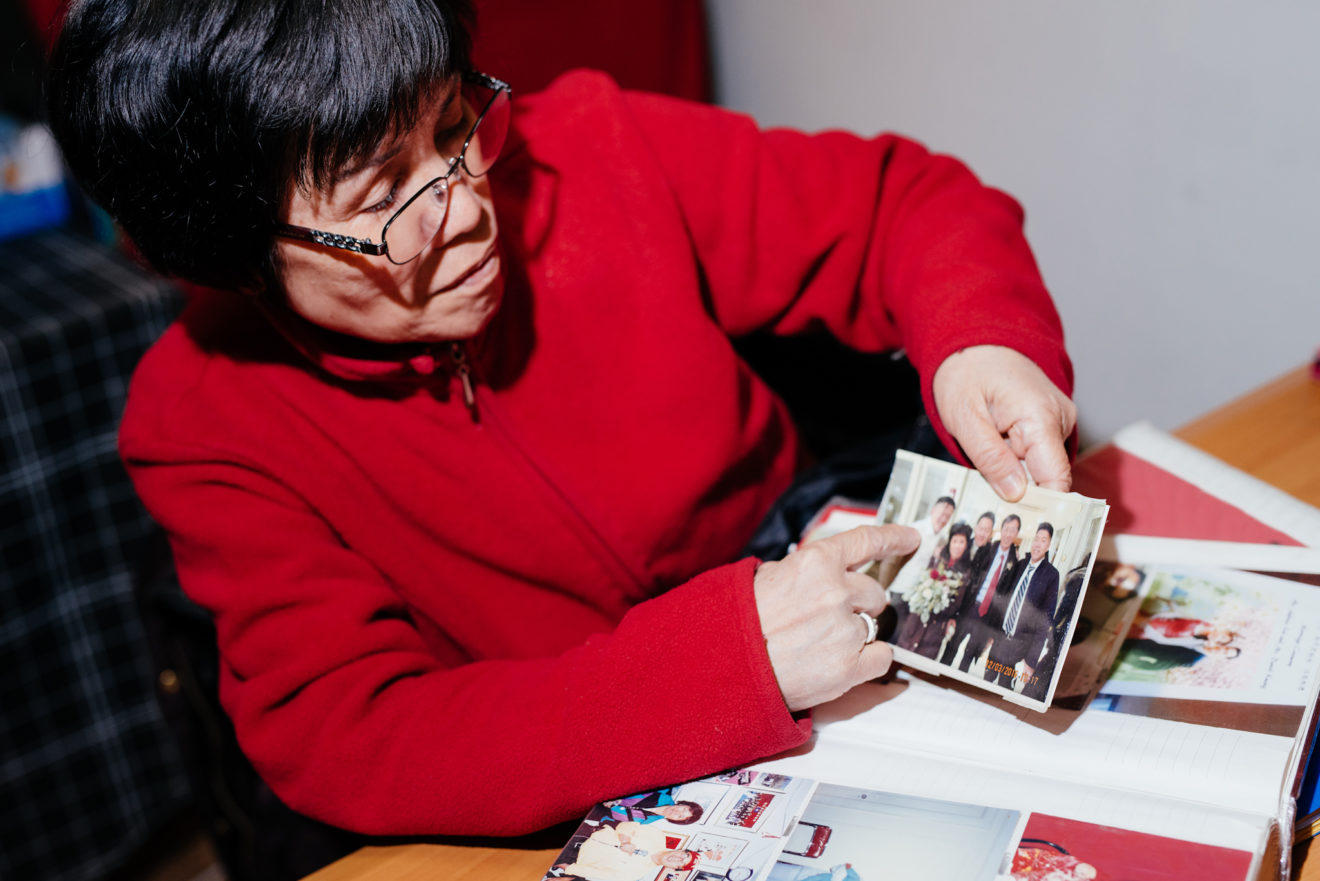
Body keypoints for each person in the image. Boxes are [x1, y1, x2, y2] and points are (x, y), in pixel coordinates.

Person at [46, 0, 1076, 844]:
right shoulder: (203, 420)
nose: (468, 207)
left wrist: (981, 341)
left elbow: (902, 204)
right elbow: (349, 737)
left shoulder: (591, 147)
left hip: (813, 594)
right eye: (384, 197)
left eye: (453, 126)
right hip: (574, 778)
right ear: (237, 247)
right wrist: (722, 664)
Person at [984, 523, 1059, 693]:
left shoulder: (1051, 575)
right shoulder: (1020, 565)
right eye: (1036, 539)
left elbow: (1045, 620)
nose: (1038, 544)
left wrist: (1031, 660)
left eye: (1043, 540)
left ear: (1049, 545)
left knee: (1004, 688)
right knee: (986, 680)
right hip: (1000, 639)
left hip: (1019, 647)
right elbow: (1003, 600)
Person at [942, 514, 1020, 671]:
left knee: (969, 655)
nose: (1008, 534)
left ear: (1016, 534)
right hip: (970, 607)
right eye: (1006, 529)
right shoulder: (986, 549)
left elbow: (1006, 599)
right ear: (1001, 530)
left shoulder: (1015, 562)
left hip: (987, 617)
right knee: (952, 647)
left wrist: (995, 630)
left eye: (1012, 530)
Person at [895, 522, 974, 659]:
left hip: (936, 626)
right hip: (917, 618)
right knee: (902, 651)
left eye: (961, 542)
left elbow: (957, 603)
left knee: (921, 660)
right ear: (950, 542)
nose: (957, 546)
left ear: (966, 546)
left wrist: (939, 600)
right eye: (955, 541)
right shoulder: (937, 559)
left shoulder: (965, 572)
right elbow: (920, 582)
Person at [555, 821, 700, 881]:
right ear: (680, 850)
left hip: (571, 854)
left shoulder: (636, 874)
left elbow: (600, 875)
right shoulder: (658, 836)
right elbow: (628, 825)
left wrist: (568, 867)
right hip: (585, 830)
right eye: (684, 855)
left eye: (681, 863)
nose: (678, 858)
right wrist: (625, 841)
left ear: (674, 868)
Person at [605, 789, 703, 825]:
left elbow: (615, 818)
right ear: (681, 804)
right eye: (683, 809)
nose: (677, 812)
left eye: (680, 816)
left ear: (675, 820)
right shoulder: (662, 793)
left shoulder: (647, 821)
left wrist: (611, 806)